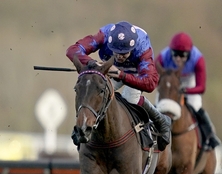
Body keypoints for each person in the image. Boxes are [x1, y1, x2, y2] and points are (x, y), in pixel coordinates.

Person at [66, 21, 170, 151]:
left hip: (135, 72)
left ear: (133, 48)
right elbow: (72, 50)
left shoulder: (142, 48)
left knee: (130, 98)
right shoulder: (104, 35)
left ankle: (161, 120)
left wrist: (121, 75)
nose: (119, 57)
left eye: (124, 53)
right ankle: (82, 126)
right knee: (94, 90)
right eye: (116, 52)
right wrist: (94, 64)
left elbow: (150, 83)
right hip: (110, 68)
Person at [156, 32, 220, 149]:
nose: (178, 58)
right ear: (170, 51)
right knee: (159, 105)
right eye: (175, 54)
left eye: (182, 55)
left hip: (188, 81)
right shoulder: (162, 57)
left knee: (195, 106)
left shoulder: (198, 59)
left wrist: (185, 90)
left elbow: (201, 87)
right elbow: (153, 77)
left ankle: (210, 135)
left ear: (189, 54)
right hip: (170, 81)